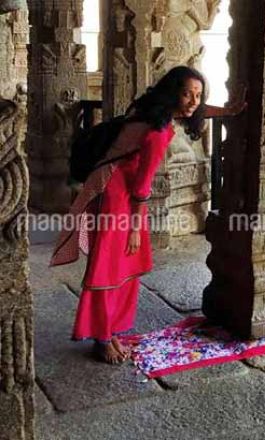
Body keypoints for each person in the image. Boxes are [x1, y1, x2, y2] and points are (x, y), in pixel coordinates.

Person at [50, 66, 245, 364]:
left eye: (198, 95)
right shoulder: (158, 131)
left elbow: (195, 110)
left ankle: (110, 331)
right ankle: (102, 338)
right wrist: (133, 226)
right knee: (109, 268)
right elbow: (142, 186)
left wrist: (227, 110)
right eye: (186, 94)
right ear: (172, 94)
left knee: (122, 266)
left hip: (113, 190)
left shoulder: (148, 110)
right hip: (116, 198)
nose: (193, 101)